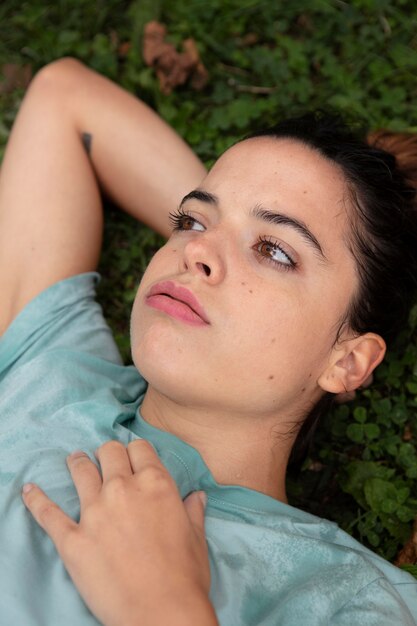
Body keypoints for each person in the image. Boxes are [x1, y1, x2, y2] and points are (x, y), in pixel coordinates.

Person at [0, 57, 417, 625]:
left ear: (347, 361)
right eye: (190, 221)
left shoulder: (350, 601)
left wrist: (163, 609)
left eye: (276, 251)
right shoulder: (51, 367)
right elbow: (63, 97)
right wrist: (239, 225)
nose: (192, 252)